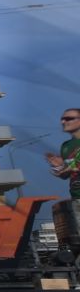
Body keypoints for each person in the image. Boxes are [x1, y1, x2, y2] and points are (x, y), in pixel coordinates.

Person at [47, 108, 80, 260]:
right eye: (62, 118)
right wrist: (59, 168)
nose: (63, 121)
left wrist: (71, 166)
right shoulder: (66, 146)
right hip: (76, 196)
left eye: (69, 118)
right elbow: (67, 175)